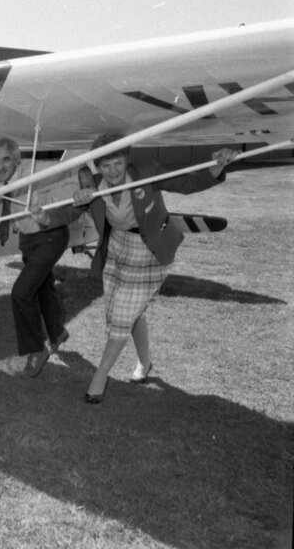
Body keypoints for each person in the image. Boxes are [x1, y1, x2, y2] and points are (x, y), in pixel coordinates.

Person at [45, 133, 237, 403]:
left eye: (118, 164)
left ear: (127, 161)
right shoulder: (95, 186)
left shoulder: (148, 173)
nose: (112, 172)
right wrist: (46, 217)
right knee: (125, 313)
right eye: (105, 166)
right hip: (117, 249)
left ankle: (98, 379)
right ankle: (145, 364)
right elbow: (71, 211)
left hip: (150, 249)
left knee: (122, 318)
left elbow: (188, 182)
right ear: (98, 167)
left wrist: (217, 165)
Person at [0, 136, 71, 378]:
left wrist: (85, 176)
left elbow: (69, 175)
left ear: (17, 160)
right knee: (42, 286)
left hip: (51, 234)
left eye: (5, 160)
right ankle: (57, 332)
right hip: (28, 238)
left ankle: (34, 351)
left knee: (21, 292)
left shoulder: (35, 172)